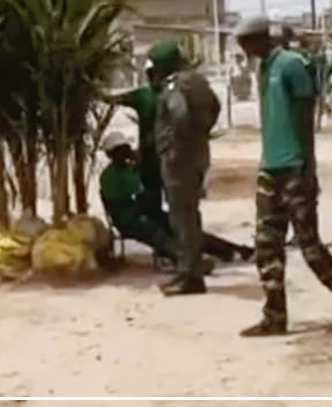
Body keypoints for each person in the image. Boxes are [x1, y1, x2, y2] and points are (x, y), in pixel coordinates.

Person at [234, 15, 332, 337]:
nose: (244, 48)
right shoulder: (263, 68)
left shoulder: (292, 65)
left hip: (295, 167)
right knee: (266, 245)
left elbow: (307, 117)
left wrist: (307, 167)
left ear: (265, 38)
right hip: (270, 167)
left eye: (248, 42)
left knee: (308, 245)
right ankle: (274, 316)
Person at [98, 132, 253, 266]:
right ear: (110, 154)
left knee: (181, 227)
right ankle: (186, 261)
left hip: (144, 212)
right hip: (129, 218)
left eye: (125, 149)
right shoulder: (109, 176)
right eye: (119, 151)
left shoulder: (133, 170)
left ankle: (230, 249)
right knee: (156, 233)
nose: (124, 154)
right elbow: (122, 204)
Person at [153, 40, 222, 296]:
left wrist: (174, 147)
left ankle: (189, 275)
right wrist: (201, 134)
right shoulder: (198, 81)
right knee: (190, 216)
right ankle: (189, 271)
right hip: (198, 156)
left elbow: (179, 114)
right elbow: (215, 107)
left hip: (179, 161)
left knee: (182, 219)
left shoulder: (175, 85)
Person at [104, 48, 172, 213]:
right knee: (171, 199)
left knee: (153, 197)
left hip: (153, 155)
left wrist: (92, 89)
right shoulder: (171, 95)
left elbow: (112, 99)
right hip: (168, 155)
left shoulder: (143, 95)